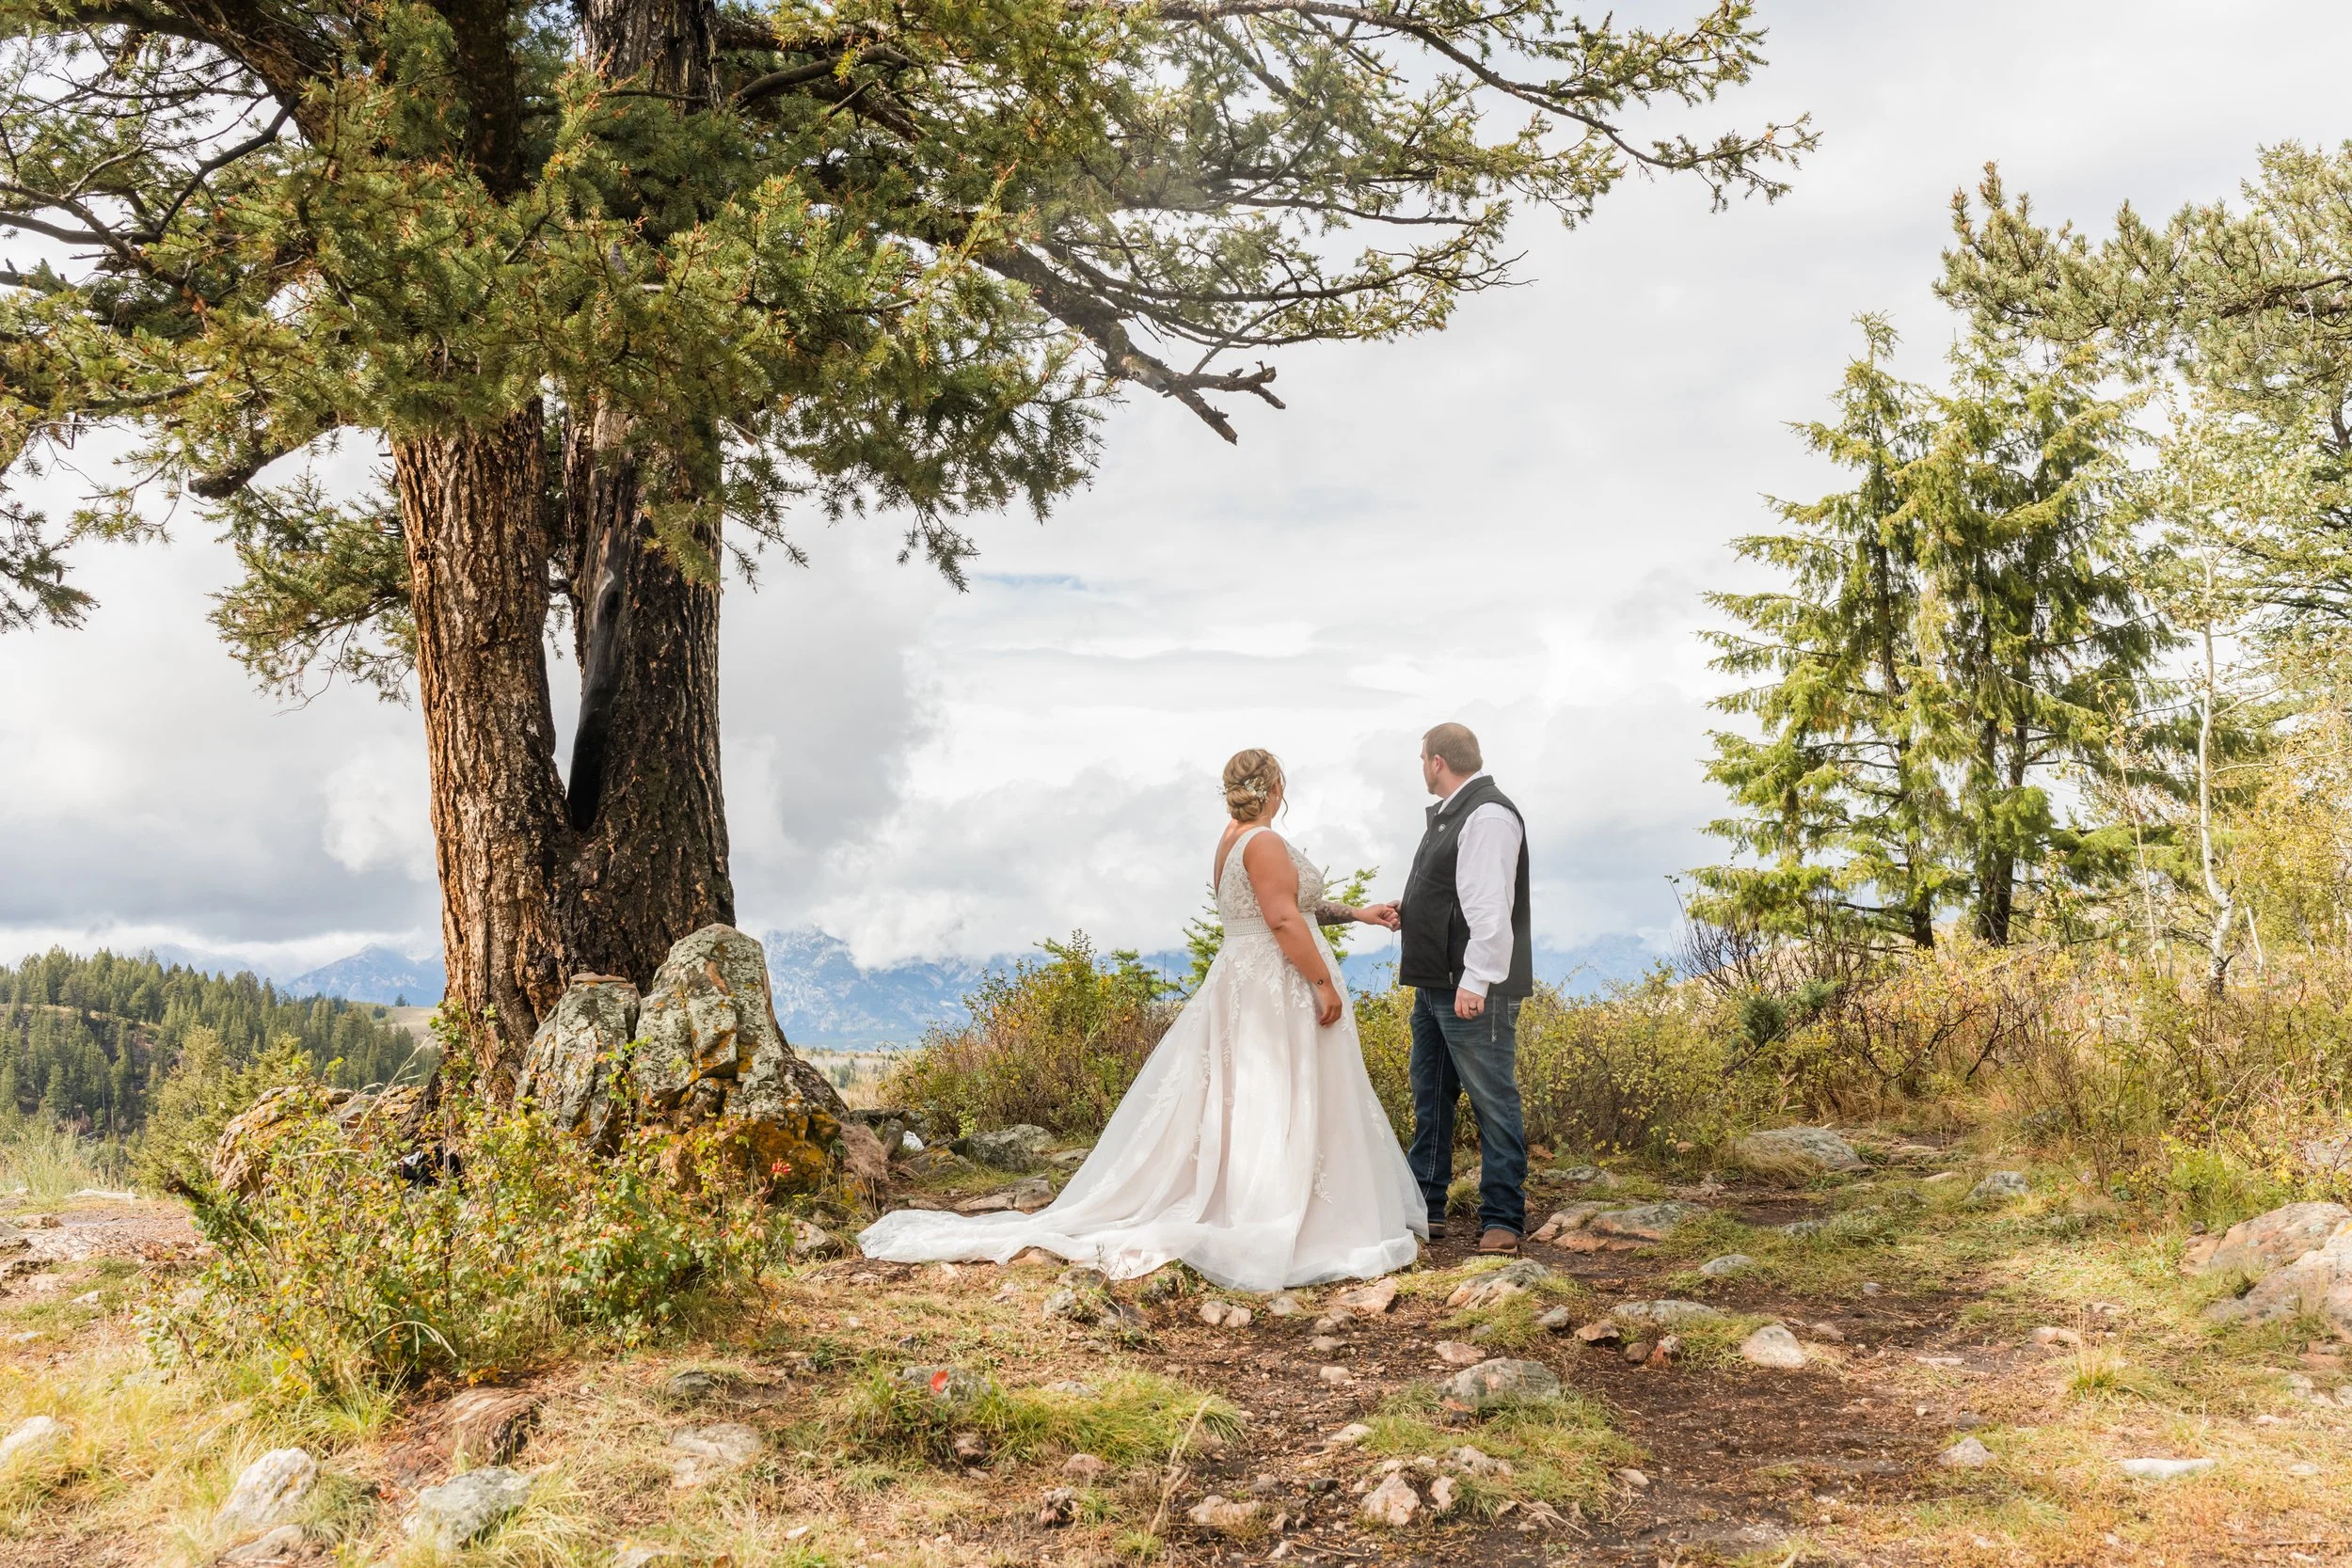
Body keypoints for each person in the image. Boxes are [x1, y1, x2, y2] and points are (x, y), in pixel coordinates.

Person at [857, 749, 1424, 1291]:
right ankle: (1276, 1207)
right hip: (1275, 982)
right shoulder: (1265, 840)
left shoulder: (1231, 840)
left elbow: (1288, 906)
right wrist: (1321, 983)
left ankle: (1264, 1189)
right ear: (1276, 789)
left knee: (1251, 1090)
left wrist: (1359, 914)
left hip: (1246, 977)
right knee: (1276, 1085)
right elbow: (1280, 918)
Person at [1358, 722, 1531, 1256]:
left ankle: (1502, 1217)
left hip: (1471, 988)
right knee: (1431, 1096)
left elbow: (1490, 909)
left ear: (1436, 761)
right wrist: (1409, 911)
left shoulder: (1487, 814)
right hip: (1435, 983)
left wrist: (1476, 979)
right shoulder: (1452, 815)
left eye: (1421, 759)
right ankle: (1427, 1208)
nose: (1421, 767)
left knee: (1492, 1099)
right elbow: (1453, 894)